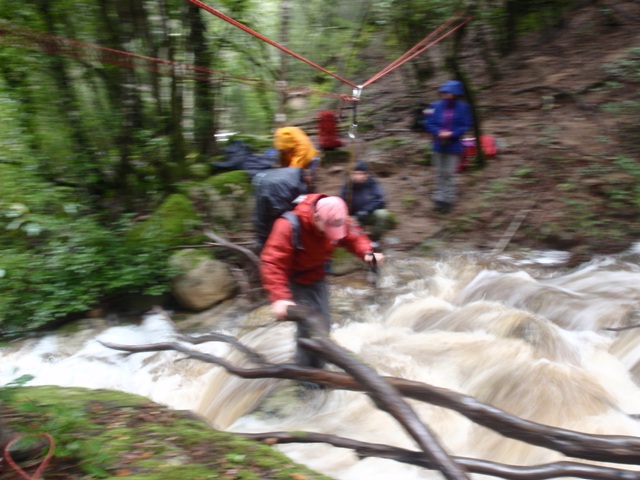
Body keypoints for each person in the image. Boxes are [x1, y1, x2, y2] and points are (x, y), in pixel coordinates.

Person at [260, 195, 383, 370]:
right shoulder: (288, 226)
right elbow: (272, 262)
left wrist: (367, 252)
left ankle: (319, 369)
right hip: (296, 279)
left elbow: (353, 236)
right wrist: (280, 298)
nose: (332, 236)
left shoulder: (336, 216)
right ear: (316, 217)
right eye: (328, 229)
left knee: (323, 325)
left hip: (317, 275)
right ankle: (306, 375)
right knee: (308, 327)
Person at [425, 80, 473, 214]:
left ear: (456, 93)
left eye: (449, 92)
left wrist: (452, 134)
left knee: (449, 174)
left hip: (454, 145)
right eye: (444, 91)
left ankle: (448, 200)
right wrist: (438, 132)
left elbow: (466, 125)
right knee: (439, 173)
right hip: (438, 144)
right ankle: (438, 199)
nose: (445, 94)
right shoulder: (433, 106)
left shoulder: (464, 107)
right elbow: (428, 123)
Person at [339, 161, 392, 242]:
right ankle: (357, 241)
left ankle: (374, 239)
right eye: (354, 173)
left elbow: (380, 200)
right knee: (348, 224)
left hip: (369, 213)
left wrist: (366, 210)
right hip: (354, 216)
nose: (356, 176)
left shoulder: (373, 184)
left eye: (359, 174)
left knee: (382, 214)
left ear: (366, 175)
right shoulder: (348, 186)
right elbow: (341, 202)